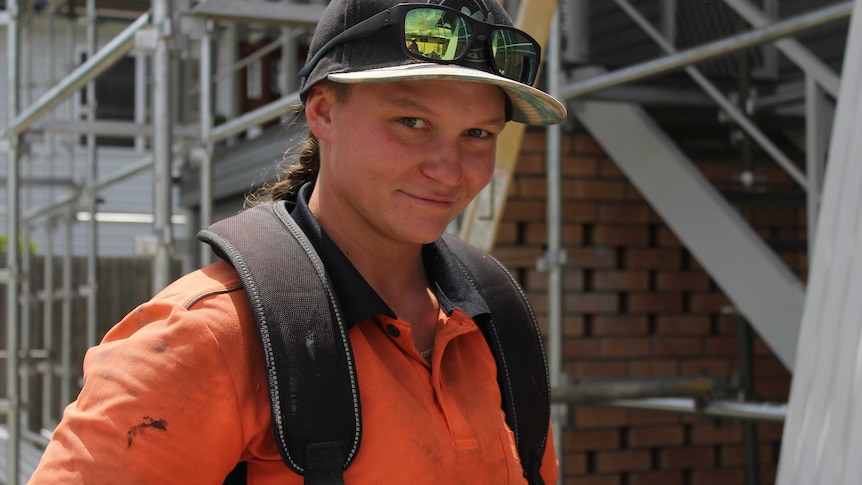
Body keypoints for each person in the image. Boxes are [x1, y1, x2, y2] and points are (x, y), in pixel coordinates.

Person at [28, 0, 567, 483]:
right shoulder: (207, 339)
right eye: (412, 121)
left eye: (479, 134)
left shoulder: (496, 321)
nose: (450, 171)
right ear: (323, 111)